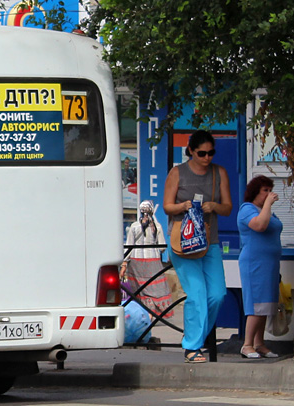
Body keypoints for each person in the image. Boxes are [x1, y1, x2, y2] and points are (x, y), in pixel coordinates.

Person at [162, 129, 232, 363]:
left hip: (209, 241)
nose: (207, 158)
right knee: (197, 294)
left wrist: (214, 206)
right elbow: (167, 207)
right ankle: (192, 347)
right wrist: (184, 206)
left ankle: (196, 340)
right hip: (182, 242)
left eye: (211, 153)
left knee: (218, 294)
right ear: (191, 151)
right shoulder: (177, 173)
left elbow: (228, 207)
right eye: (202, 153)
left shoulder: (218, 173)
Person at [236, 175, 282, 359]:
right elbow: (260, 225)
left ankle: (259, 343)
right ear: (256, 191)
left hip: (269, 264)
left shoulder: (267, 211)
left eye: (271, 190)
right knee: (255, 305)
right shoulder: (247, 209)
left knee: (266, 304)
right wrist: (269, 205)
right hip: (254, 263)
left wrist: (268, 206)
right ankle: (247, 345)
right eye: (265, 190)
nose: (269, 194)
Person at [120, 200, 171, 316]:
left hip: (136, 262)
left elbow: (128, 247)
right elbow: (162, 247)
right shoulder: (157, 227)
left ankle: (142, 312)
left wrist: (124, 264)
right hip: (153, 261)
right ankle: (151, 314)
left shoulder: (134, 226)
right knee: (153, 288)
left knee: (139, 289)